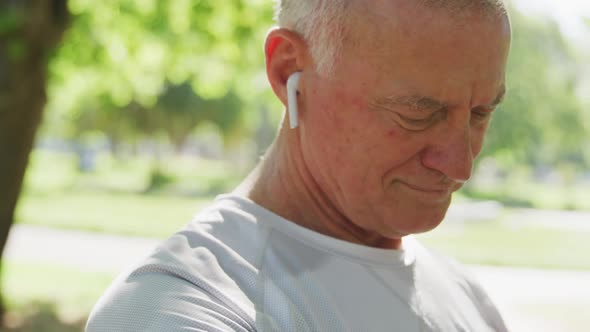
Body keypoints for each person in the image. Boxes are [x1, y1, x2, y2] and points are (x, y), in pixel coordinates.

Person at [86, 0, 511, 331]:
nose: (460, 164)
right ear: (288, 68)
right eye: (417, 114)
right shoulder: (182, 307)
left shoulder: (468, 298)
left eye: (479, 114)